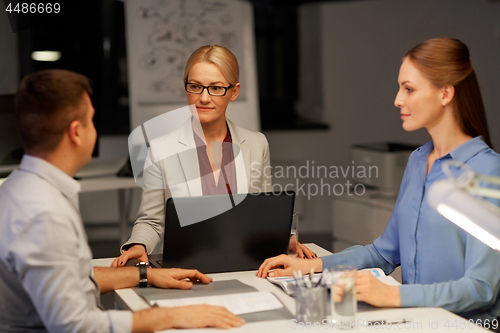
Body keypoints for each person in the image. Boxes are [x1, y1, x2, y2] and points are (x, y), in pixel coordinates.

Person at [256, 38, 500, 321]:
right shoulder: (418, 160)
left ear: (445, 94)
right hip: (416, 321)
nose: (398, 99)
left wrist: (393, 295)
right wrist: (310, 266)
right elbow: (383, 252)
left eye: (408, 89)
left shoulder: (489, 172)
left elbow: (481, 288)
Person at [0, 69, 245, 332]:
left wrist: (146, 274)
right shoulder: (43, 214)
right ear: (76, 132)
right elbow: (76, 326)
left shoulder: (18, 189)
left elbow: (65, 277)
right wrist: (174, 316)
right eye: (91, 120)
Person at [113, 45, 315, 267]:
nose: (204, 98)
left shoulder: (257, 144)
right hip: (184, 266)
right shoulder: (160, 149)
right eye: (195, 87)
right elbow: (151, 221)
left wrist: (284, 237)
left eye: (216, 88)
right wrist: (138, 245)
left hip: (246, 263)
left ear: (234, 91)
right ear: (185, 88)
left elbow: (261, 215)